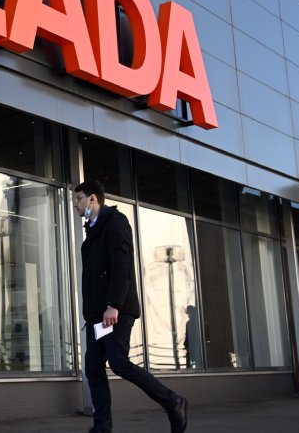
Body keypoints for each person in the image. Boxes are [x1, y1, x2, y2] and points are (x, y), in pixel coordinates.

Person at [74, 180, 188, 433]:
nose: (76, 205)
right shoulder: (93, 230)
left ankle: (173, 402)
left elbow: (122, 267)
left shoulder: (115, 223)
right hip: (98, 316)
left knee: (119, 363)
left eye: (78, 199)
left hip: (115, 312)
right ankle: (102, 426)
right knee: (93, 367)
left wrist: (113, 304)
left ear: (92, 199)